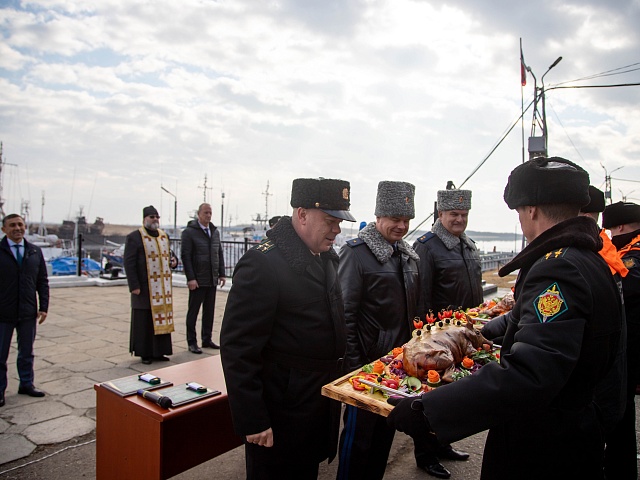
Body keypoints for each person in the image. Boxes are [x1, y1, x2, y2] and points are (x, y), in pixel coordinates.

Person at [387, 157, 624, 479]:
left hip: (544, 442)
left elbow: (532, 373)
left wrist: (429, 412)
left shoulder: (557, 268)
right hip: (574, 428)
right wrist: (479, 331)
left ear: (532, 210)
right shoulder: (588, 259)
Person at [220, 178, 356, 480]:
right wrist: (253, 420)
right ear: (302, 214)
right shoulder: (263, 264)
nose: (337, 230)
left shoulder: (324, 258)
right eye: (331, 221)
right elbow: (238, 348)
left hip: (314, 405)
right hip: (281, 412)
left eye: (339, 222)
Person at [336, 181, 465, 479]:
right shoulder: (356, 254)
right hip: (366, 368)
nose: (402, 226)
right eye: (395, 219)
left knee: (384, 436)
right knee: (359, 441)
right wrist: (356, 368)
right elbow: (345, 317)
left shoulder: (407, 256)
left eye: (406, 220)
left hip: (396, 367)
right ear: (379, 216)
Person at [601, 200, 640, 479]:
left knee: (621, 412)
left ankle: (620, 470)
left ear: (621, 227)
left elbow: (621, 282)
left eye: (611, 231)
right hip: (630, 344)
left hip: (632, 348)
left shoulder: (634, 255)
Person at [0, 214, 49, 407]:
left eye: (20, 224)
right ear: (4, 229)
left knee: (26, 352)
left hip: (28, 311)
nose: (17, 228)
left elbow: (42, 281)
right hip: (3, 312)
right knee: (1, 354)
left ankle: (26, 384)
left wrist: (43, 307)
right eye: (12, 225)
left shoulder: (34, 252)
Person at [413, 188, 483, 317]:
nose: (460, 219)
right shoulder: (426, 247)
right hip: (444, 330)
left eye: (464, 215)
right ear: (440, 214)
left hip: (474, 324)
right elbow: (421, 300)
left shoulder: (470, 246)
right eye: (454, 214)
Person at [124, 206, 177, 365]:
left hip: (162, 288)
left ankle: (159, 352)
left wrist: (174, 262)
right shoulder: (135, 237)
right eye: (152, 217)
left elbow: (170, 256)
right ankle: (145, 353)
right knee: (144, 321)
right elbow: (129, 262)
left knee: (161, 320)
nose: (155, 219)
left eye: (157, 217)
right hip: (144, 288)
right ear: (145, 218)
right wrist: (134, 285)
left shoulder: (163, 236)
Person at [181, 203, 226, 354]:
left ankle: (206, 339)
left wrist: (221, 273)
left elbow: (218, 253)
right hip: (198, 279)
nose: (208, 215)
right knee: (193, 311)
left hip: (211, 278)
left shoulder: (214, 232)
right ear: (199, 214)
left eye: (210, 213)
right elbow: (186, 256)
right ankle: (192, 342)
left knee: (209, 311)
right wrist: (191, 278)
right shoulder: (189, 232)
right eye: (206, 213)